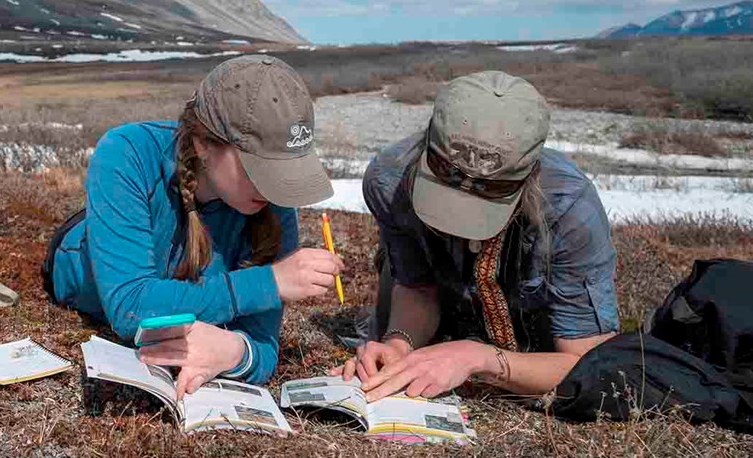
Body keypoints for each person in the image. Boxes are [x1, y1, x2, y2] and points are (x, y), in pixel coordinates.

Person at [43, 55, 345, 396]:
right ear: (204, 144)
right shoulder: (128, 153)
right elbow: (130, 303)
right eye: (259, 168)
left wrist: (236, 352)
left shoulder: (273, 198)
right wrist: (269, 282)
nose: (272, 187)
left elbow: (263, 344)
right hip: (80, 265)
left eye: (284, 172)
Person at [334, 70, 620, 400]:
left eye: (489, 195)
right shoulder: (390, 180)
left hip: (532, 347)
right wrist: (398, 345)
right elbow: (417, 285)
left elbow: (588, 362)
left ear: (527, 176)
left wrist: (480, 359)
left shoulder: (570, 209)